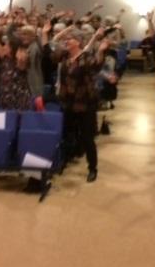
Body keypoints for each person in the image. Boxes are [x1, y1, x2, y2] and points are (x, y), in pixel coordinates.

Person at [42, 23, 109, 182]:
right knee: (67, 133)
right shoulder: (64, 56)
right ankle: (64, 161)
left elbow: (97, 65)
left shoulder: (85, 57)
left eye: (70, 39)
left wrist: (101, 50)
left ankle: (92, 168)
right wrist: (45, 34)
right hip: (68, 103)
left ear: (78, 42)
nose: (66, 41)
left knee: (87, 138)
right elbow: (48, 53)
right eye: (66, 39)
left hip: (85, 104)